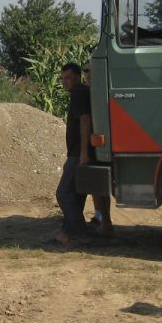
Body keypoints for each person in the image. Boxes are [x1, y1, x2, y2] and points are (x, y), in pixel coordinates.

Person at [54, 62, 91, 246]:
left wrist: (84, 152)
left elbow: (85, 121)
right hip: (77, 152)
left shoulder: (78, 94)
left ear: (77, 77)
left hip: (78, 154)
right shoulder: (83, 92)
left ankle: (79, 233)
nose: (65, 82)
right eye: (62, 79)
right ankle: (66, 233)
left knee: (63, 193)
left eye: (68, 78)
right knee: (76, 196)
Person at [82, 62, 113, 238]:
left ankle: (105, 222)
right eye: (85, 71)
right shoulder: (88, 92)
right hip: (94, 142)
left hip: (99, 142)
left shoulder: (100, 92)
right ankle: (100, 217)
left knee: (99, 186)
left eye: (91, 71)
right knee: (96, 187)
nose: (88, 74)